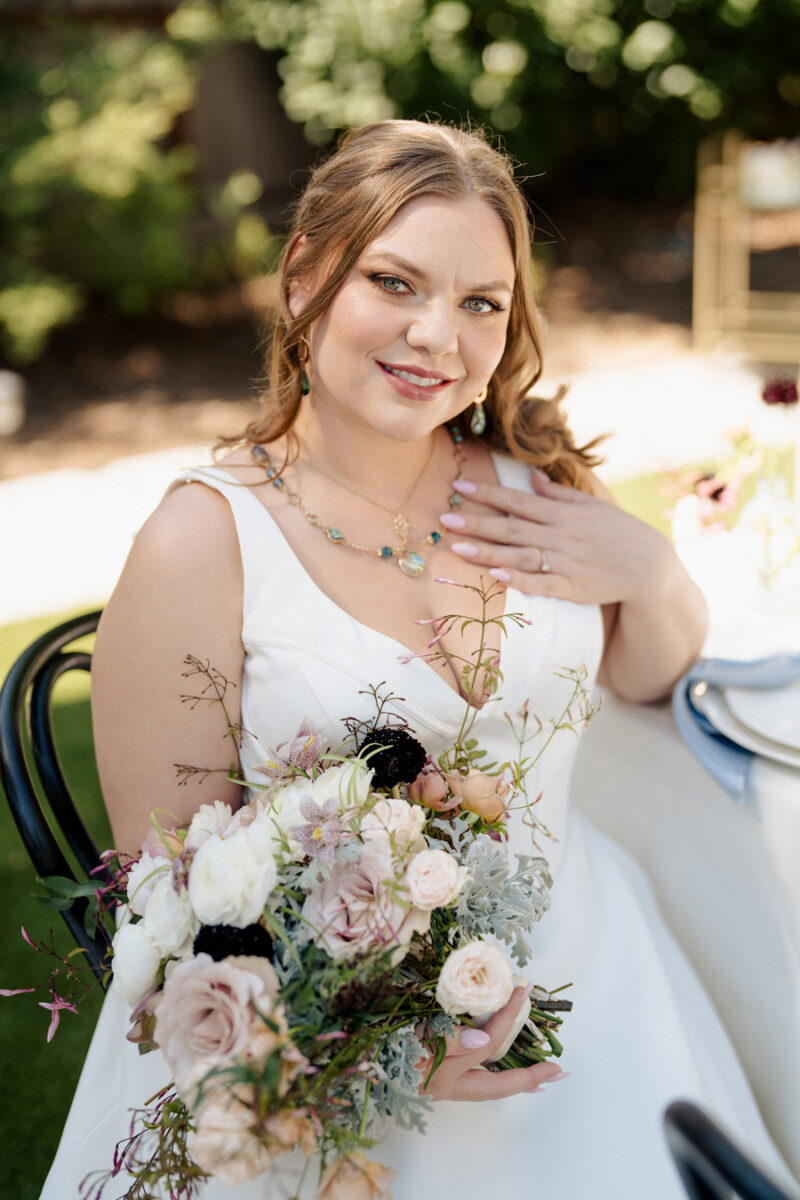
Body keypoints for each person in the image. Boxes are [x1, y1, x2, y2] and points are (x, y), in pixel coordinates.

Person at [40, 120, 793, 1199]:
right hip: (338, 1064)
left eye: (482, 302)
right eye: (394, 282)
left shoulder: (530, 486)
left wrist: (653, 572)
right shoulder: (202, 542)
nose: (439, 335)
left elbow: (642, 679)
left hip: (601, 988)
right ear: (304, 278)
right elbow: (172, 897)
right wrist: (375, 1050)